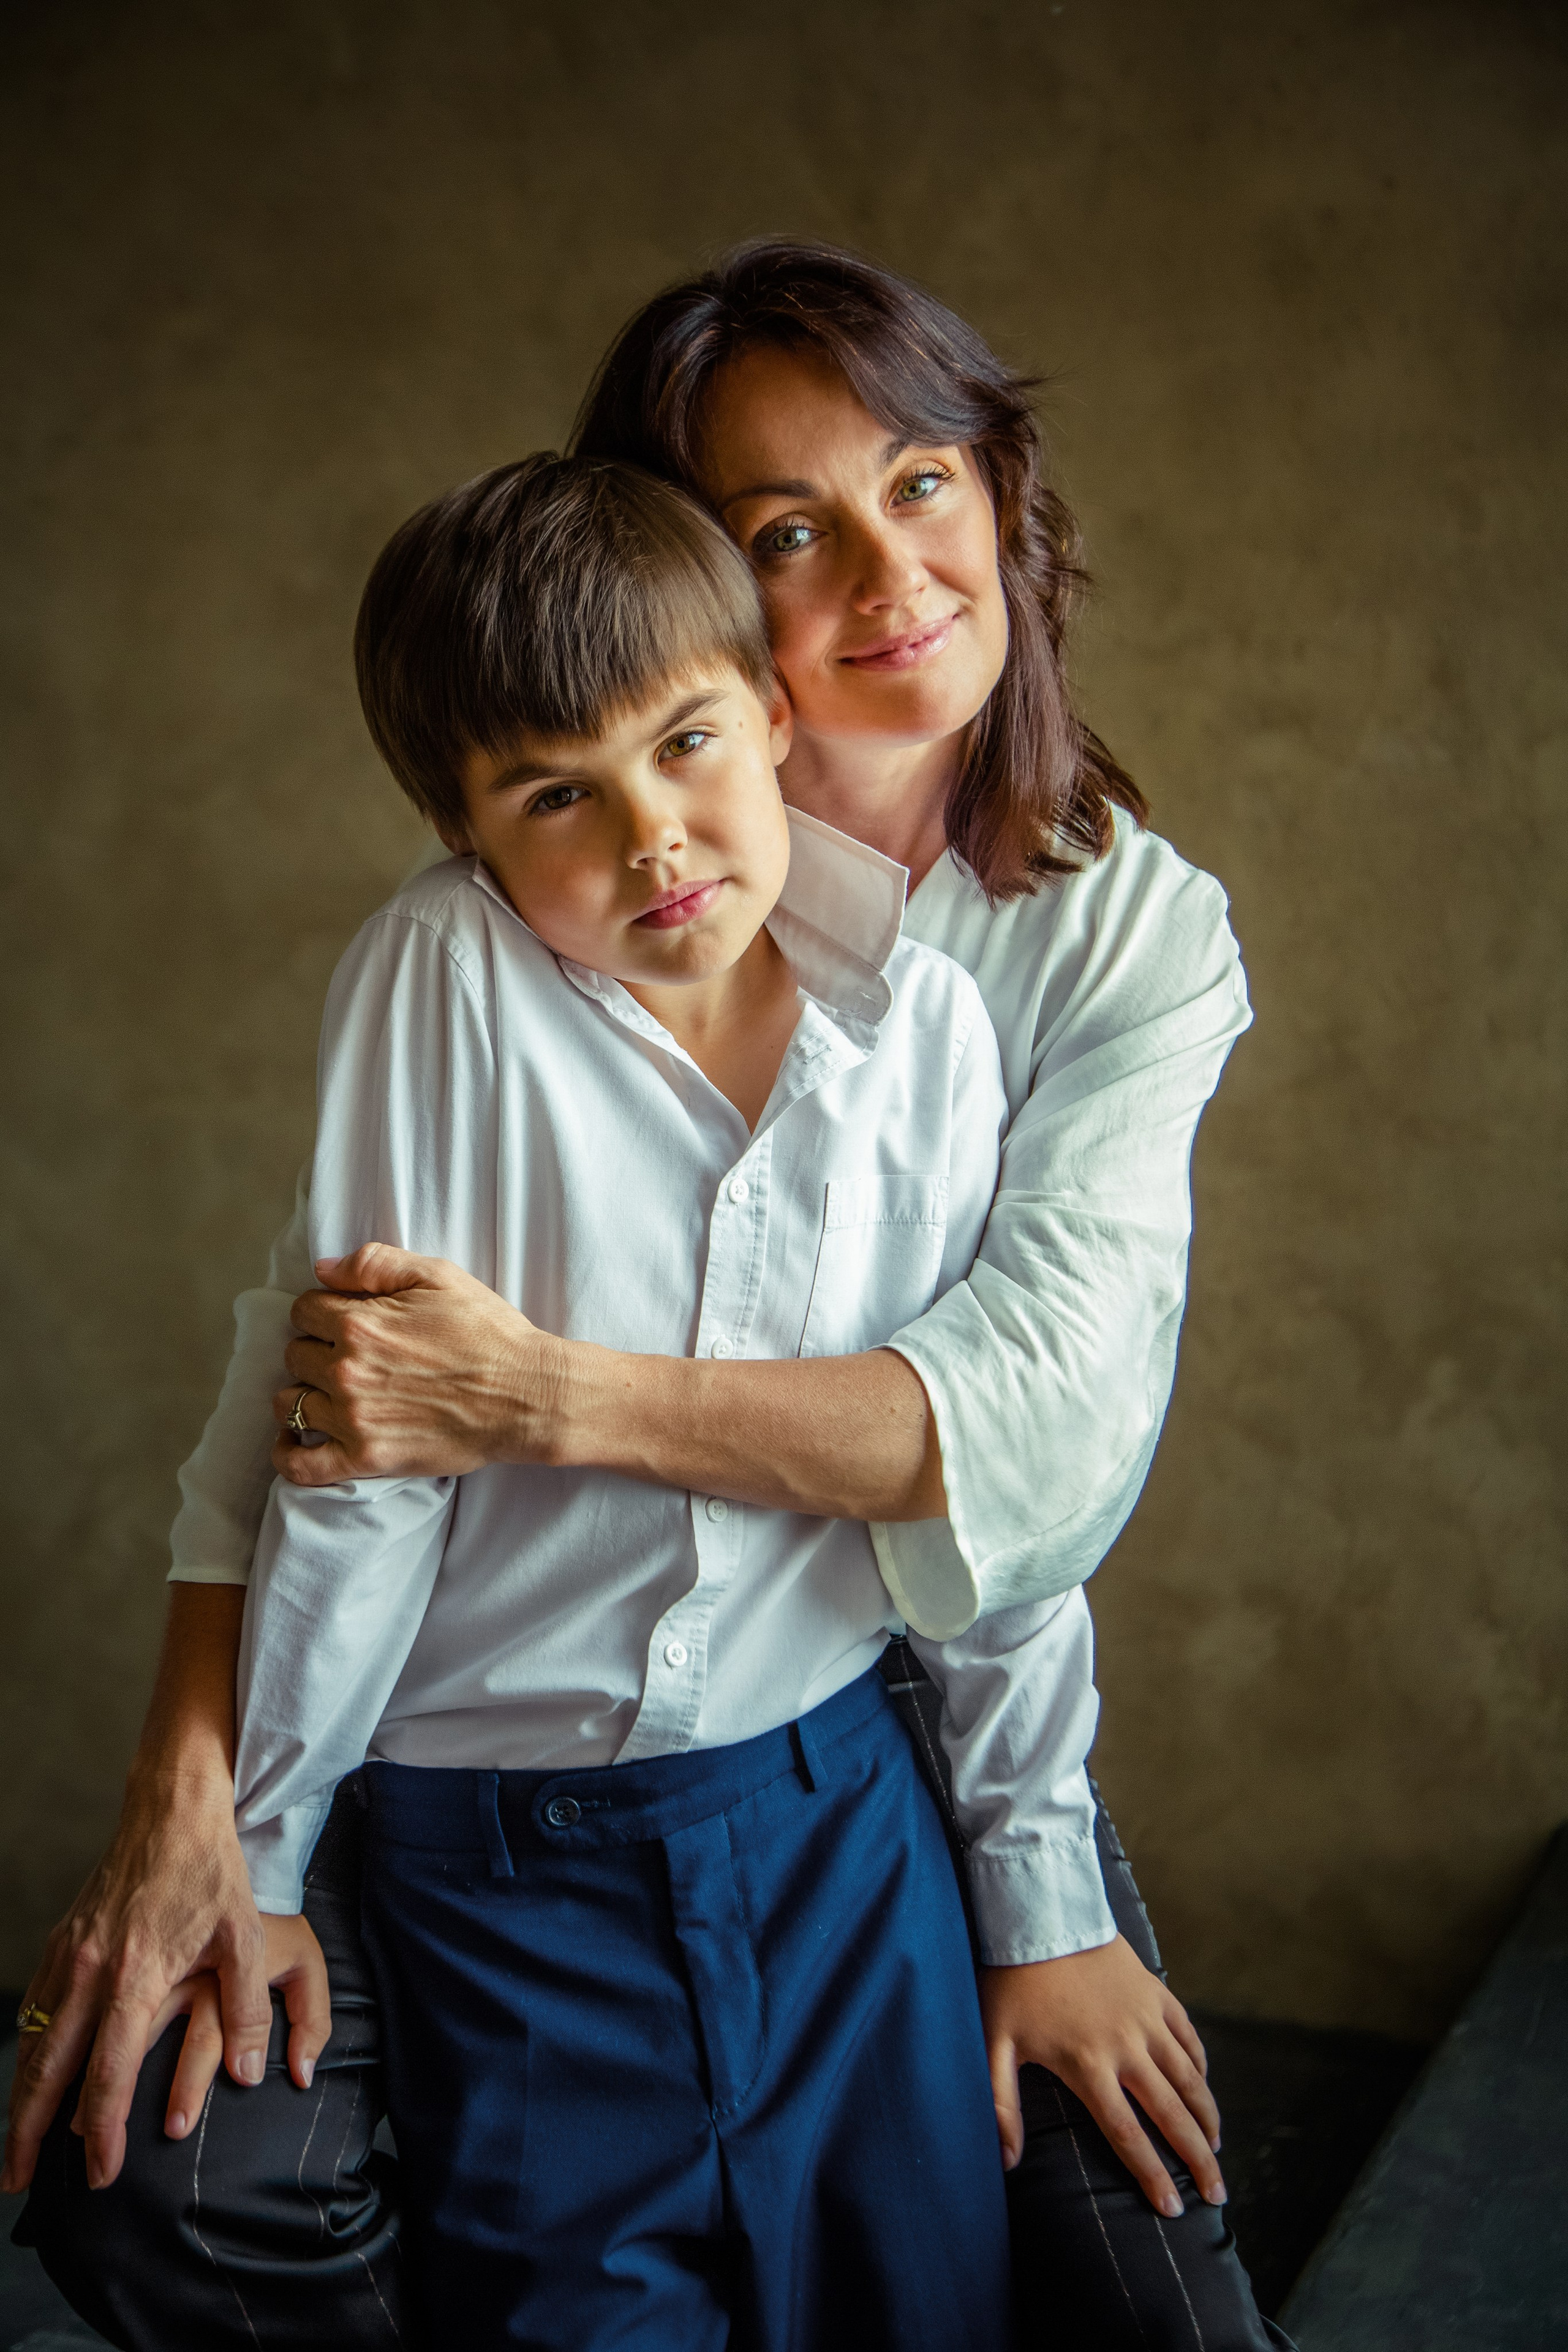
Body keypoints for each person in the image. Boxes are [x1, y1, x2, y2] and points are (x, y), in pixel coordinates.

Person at [10, 242, 1281, 2350]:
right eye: (789, 530)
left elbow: (1028, 1471)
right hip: (501, 1796)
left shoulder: (1048, 974)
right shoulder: (474, 950)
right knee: (266, 2188)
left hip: (873, 1718)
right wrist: (232, 1822)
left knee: (1052, 2284)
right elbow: (333, 1363)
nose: (890, 571)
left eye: (925, 481)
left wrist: (538, 1397)